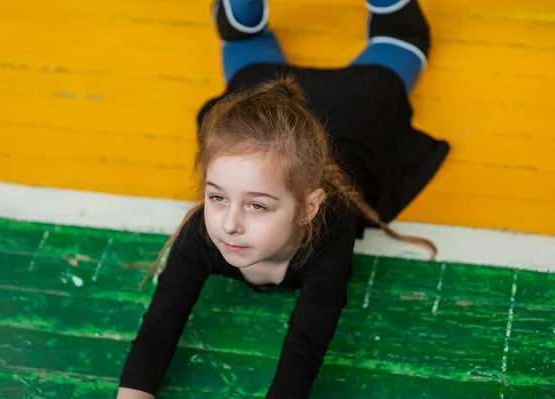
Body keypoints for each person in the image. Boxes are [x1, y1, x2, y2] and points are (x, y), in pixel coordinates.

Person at [117, 0, 449, 397]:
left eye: (257, 205)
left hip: (358, 111)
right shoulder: (203, 229)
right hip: (267, 97)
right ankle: (243, 23)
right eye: (217, 197)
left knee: (404, 38)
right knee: (246, 92)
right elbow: (157, 332)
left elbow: (301, 359)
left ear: (310, 207)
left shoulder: (329, 238)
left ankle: (247, 24)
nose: (229, 224)